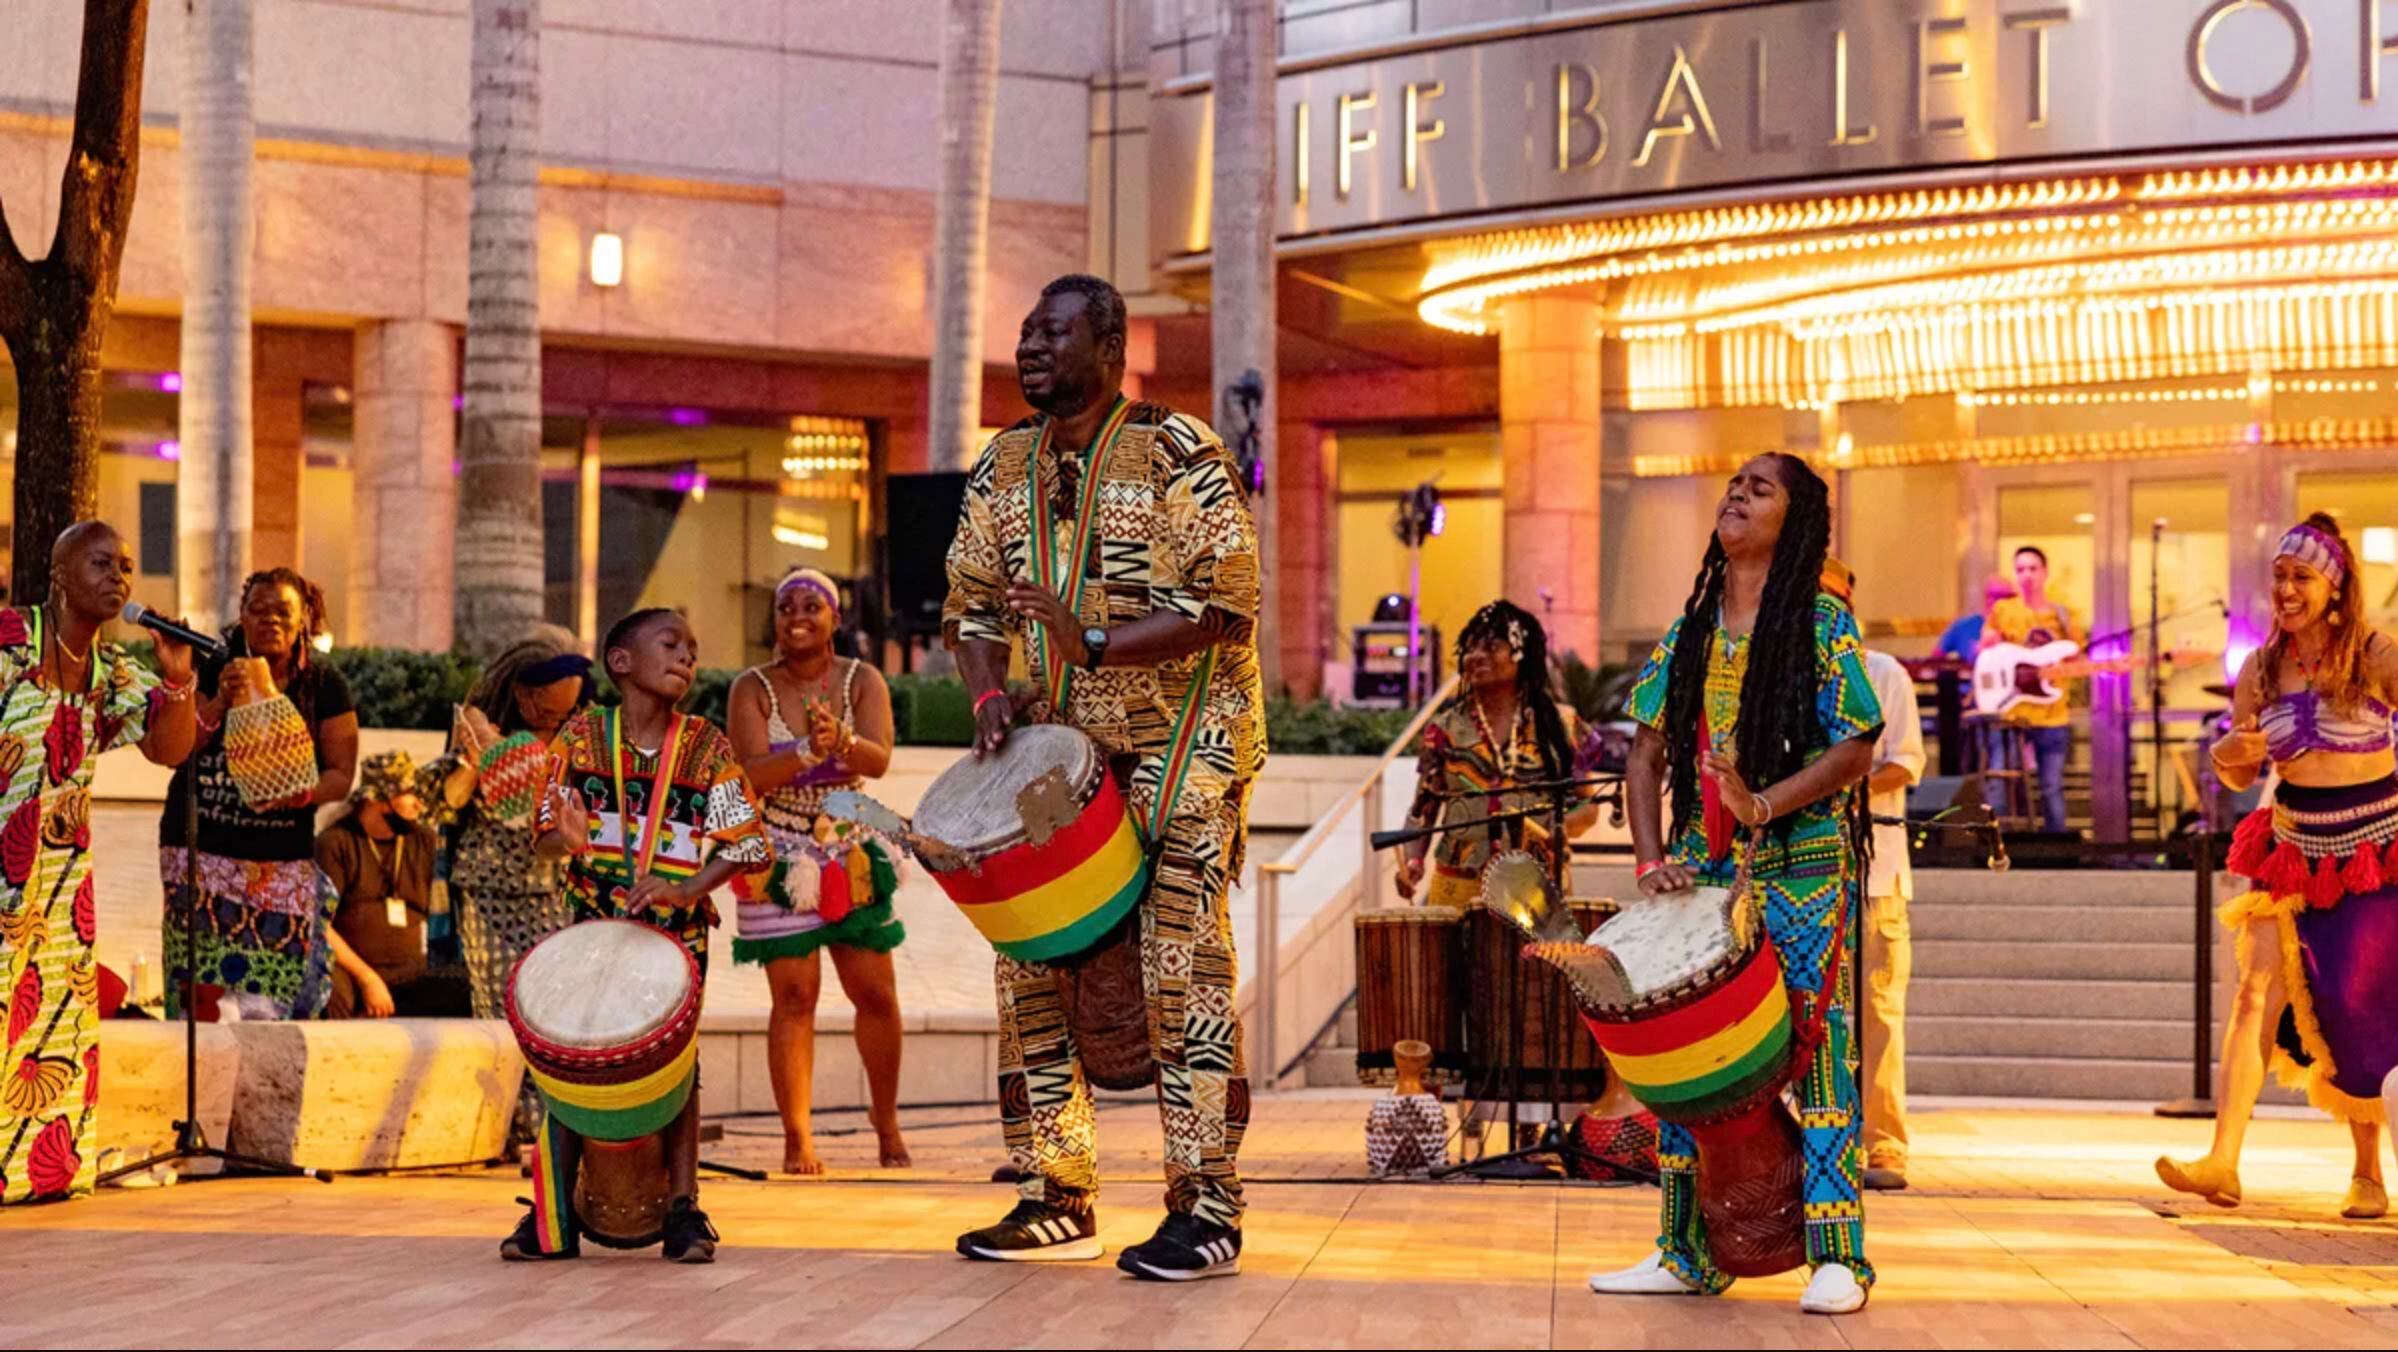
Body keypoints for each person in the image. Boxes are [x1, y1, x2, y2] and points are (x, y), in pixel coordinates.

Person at [943, 273, 1267, 1280]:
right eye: (1026, 329)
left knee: (1180, 963)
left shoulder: (1179, 449)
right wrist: (989, 694)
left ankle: (1205, 1202)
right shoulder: (1002, 463)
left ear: (1109, 341)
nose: (1030, 344)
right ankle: (1058, 1189)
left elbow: (1226, 603)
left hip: (1186, 741)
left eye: (1053, 330)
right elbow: (971, 608)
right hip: (1053, 753)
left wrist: (1092, 638)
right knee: (1028, 960)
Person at [1588, 452, 1882, 1317]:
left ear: (1795, 521)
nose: (1737, 497)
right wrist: (1650, 859)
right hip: (1705, 872)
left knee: (1818, 1056)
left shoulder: (1822, 622)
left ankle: (1839, 1257)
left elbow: (1857, 745)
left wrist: (1762, 804)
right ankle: (1687, 1252)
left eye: (1760, 489)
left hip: (1804, 866)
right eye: (1733, 486)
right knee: (1692, 1065)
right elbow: (1644, 753)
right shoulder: (1689, 633)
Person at [505, 608, 771, 1264]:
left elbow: (751, 845)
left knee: (679, 1069)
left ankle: (683, 1209)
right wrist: (557, 838)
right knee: (569, 1065)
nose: (686, 656)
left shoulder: (706, 745)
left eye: (692, 647)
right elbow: (544, 830)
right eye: (670, 643)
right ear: (620, 663)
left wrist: (688, 888)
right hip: (592, 926)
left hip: (675, 940)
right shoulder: (580, 736)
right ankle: (553, 1215)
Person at [2158, 514, 2395, 1220]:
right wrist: (2231, 757)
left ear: (2335, 585)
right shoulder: (2261, 668)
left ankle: (2368, 1173)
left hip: (2373, 844)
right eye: (2279, 577)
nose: (2287, 590)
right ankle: (2223, 1161)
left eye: (2302, 577)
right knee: (2252, 993)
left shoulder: (2378, 653)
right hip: (2290, 840)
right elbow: (2237, 769)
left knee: (2360, 1005)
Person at [0, 523, 198, 1204]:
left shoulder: (114, 671)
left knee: (54, 1032)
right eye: (101, 562)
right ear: (57, 573)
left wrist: (177, 681)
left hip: (61, 894)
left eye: (128, 565)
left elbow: (168, 751)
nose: (119, 576)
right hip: (3, 876)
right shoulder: (9, 642)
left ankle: (37, 1176)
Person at [727, 567, 911, 1175]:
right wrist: (809, 751)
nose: (796, 614)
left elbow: (879, 761)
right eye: (784, 607)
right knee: (795, 996)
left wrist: (843, 745)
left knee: (875, 993)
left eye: (811, 604)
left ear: (835, 619)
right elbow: (753, 774)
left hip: (848, 846)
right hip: (780, 848)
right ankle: (797, 1137)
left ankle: (885, 1120)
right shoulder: (750, 688)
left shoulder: (864, 680)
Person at [414, 630, 592, 1143]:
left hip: (553, 891)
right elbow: (439, 806)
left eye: (566, 711)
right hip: (488, 892)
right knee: (502, 1011)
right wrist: (475, 762)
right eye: (550, 709)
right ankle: (520, 1130)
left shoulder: (577, 739)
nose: (557, 719)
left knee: (554, 1012)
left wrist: (573, 839)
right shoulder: (477, 731)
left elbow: (568, 829)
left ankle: (554, 1129)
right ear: (524, 694)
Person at [159, 568, 358, 1020]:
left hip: (279, 862)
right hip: (200, 856)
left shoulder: (324, 685)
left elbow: (341, 775)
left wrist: (299, 796)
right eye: (258, 609)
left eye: (283, 610)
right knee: (200, 999)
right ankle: (205, 1086)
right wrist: (217, 703)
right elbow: (176, 751)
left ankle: (259, 1083)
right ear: (242, 618)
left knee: (270, 998)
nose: (270, 619)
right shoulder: (211, 669)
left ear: (304, 617)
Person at [1395, 600, 1600, 906]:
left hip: (1538, 885)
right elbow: (1423, 810)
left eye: (1491, 648)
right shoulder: (1444, 730)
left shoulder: (1561, 724)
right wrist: (1412, 863)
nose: (1476, 656)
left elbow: (1588, 805)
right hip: (1460, 885)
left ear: (1521, 656)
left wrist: (1559, 829)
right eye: (1470, 648)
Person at [318, 750, 471, 1019]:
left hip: (413, 974)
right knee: (328, 987)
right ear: (379, 800)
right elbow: (319, 924)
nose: (418, 804)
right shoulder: (336, 843)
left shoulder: (423, 840)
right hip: (356, 974)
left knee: (462, 987)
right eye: (409, 793)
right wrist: (367, 979)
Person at [1858, 646, 1925, 1192]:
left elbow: (1905, 761)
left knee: (1876, 1011)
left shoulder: (1884, 673)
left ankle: (1883, 1143)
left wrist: (1831, 787)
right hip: (1799, 875)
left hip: (1874, 875)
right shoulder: (1782, 661)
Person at [1979, 546, 2080, 833]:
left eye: (2033, 568)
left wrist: (2065, 666)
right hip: (2011, 710)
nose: (2027, 575)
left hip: (2052, 713)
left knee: (2051, 785)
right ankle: (1995, 844)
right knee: (1999, 779)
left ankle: (2057, 851)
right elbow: (1987, 650)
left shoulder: (2061, 614)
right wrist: (1989, 641)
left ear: (2045, 573)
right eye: (2021, 569)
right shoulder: (2003, 611)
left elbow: (2077, 657)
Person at [1936, 576, 2017, 664]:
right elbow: (1934, 661)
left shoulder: (2019, 628)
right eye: (2001, 597)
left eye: (2011, 598)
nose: (2009, 603)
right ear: (1988, 598)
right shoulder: (1962, 627)